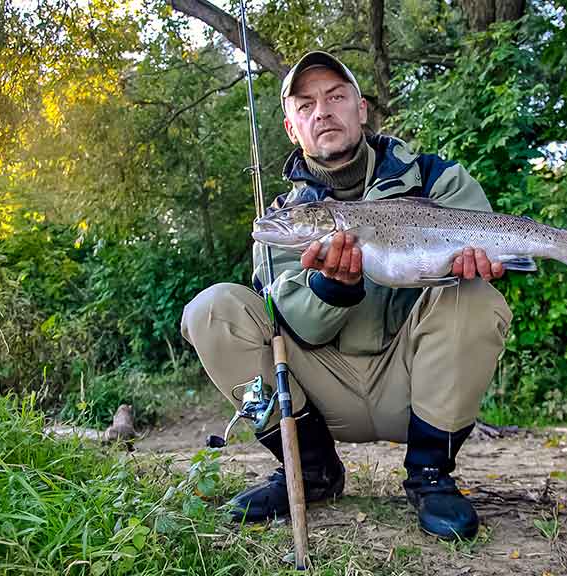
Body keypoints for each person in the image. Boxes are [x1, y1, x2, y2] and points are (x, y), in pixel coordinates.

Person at [180, 51, 512, 540]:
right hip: (320, 391)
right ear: (292, 128)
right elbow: (304, 325)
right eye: (306, 105)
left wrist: (471, 265)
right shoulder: (282, 220)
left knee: (476, 295)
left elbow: (486, 249)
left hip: (416, 383)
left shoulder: (438, 177)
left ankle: (430, 475)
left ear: (361, 109)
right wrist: (333, 286)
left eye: (336, 97)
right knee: (211, 309)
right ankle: (311, 471)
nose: (323, 112)